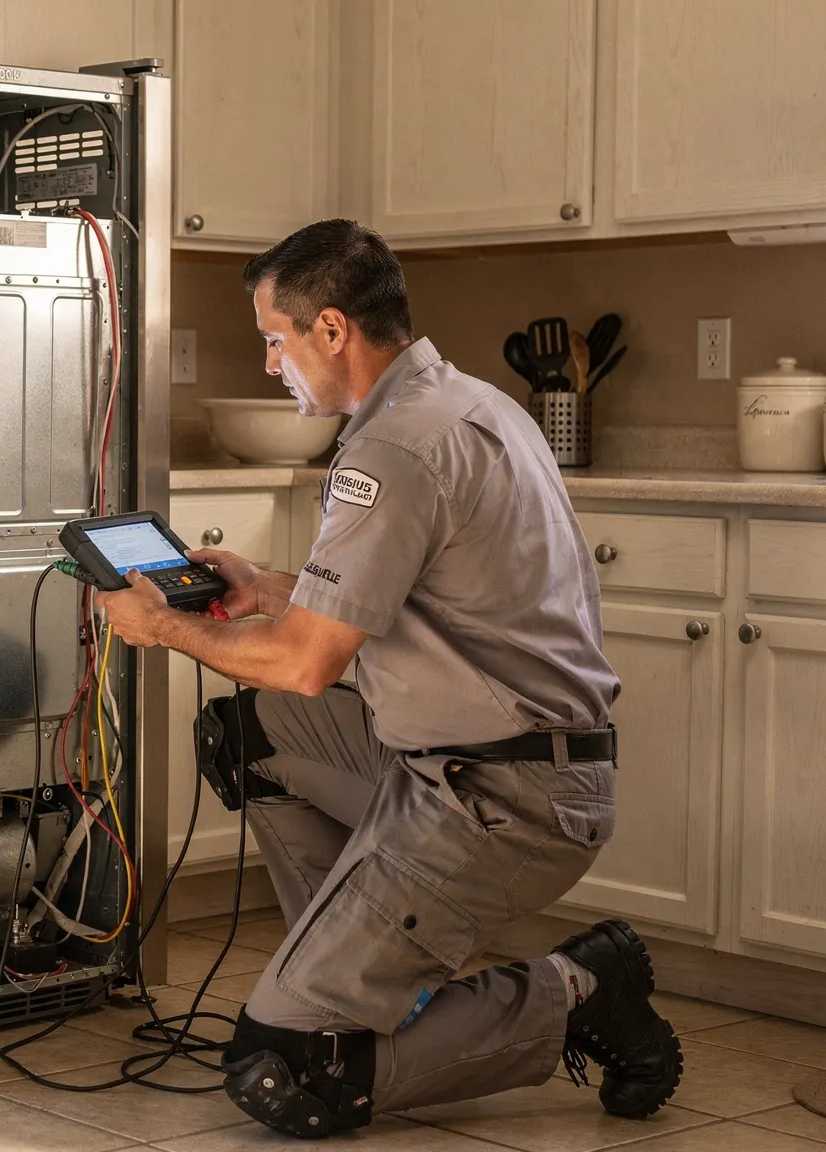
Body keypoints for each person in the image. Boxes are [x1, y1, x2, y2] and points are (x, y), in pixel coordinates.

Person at [97, 219, 681, 1138]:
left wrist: (159, 624)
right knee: (247, 733)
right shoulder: (470, 406)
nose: (270, 364)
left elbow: (304, 662)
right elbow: (411, 607)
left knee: (281, 1073)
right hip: (473, 758)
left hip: (501, 792)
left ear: (332, 331)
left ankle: (578, 989)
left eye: (274, 340)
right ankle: (358, 974)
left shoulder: (393, 450)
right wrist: (264, 589)